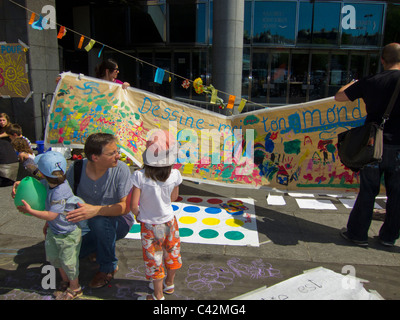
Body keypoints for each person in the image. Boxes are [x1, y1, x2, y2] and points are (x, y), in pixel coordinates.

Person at [335, 42, 400, 247]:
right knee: (397, 194)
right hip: (399, 147)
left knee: (368, 190)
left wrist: (351, 83)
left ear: (382, 60)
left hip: (373, 145)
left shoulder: (371, 81)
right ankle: (389, 237)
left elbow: (339, 97)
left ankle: (357, 234)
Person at [65, 133, 134, 288]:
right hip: (85, 223)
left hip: (119, 221)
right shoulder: (76, 169)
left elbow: (125, 207)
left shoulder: (121, 169)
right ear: (95, 157)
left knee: (99, 222)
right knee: (70, 254)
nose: (118, 156)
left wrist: (95, 211)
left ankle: (108, 267)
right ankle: (98, 247)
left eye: (117, 151)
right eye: (112, 153)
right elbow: (61, 194)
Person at [14, 151, 86, 300]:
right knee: (55, 258)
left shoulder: (61, 191)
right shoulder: (51, 182)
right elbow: (39, 184)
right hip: (55, 229)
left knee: (69, 261)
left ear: (42, 172)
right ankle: (65, 280)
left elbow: (52, 215)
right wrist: (21, 184)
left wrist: (30, 211)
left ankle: (75, 287)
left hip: (68, 233)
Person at [129, 129, 182, 300]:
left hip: (149, 226)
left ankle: (158, 295)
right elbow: (174, 198)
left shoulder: (139, 176)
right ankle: (170, 284)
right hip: (169, 222)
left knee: (154, 258)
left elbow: (133, 205)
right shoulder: (175, 175)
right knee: (172, 252)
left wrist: (139, 215)